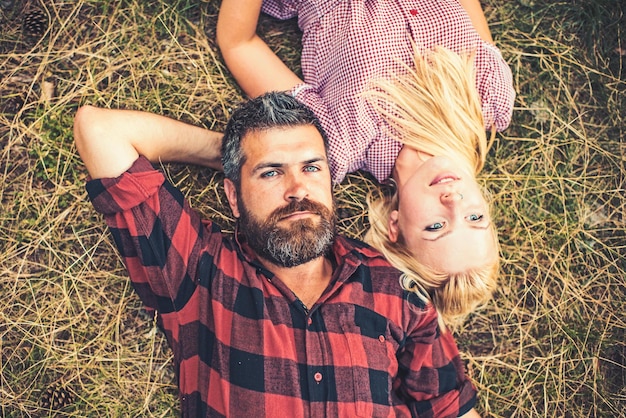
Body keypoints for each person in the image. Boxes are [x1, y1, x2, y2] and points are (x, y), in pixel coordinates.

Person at [74, 92, 481, 417]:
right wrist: (230, 156)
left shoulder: (392, 286)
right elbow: (100, 130)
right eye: (271, 172)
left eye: (311, 167)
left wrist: (259, 162)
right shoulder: (200, 271)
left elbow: (449, 407)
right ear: (233, 196)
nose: (298, 189)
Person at [214, 0, 516, 325]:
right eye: (475, 217)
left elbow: (238, 43)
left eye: (436, 226)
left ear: (395, 228)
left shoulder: (338, 142)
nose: (453, 202)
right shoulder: (489, 98)